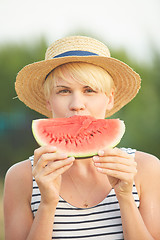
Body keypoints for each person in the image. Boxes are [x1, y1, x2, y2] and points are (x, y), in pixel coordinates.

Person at [3, 36, 160, 240]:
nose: (77, 104)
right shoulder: (21, 177)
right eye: (64, 91)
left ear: (110, 98)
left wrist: (125, 197)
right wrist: (47, 204)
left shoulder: (146, 169)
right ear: (48, 101)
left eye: (89, 90)